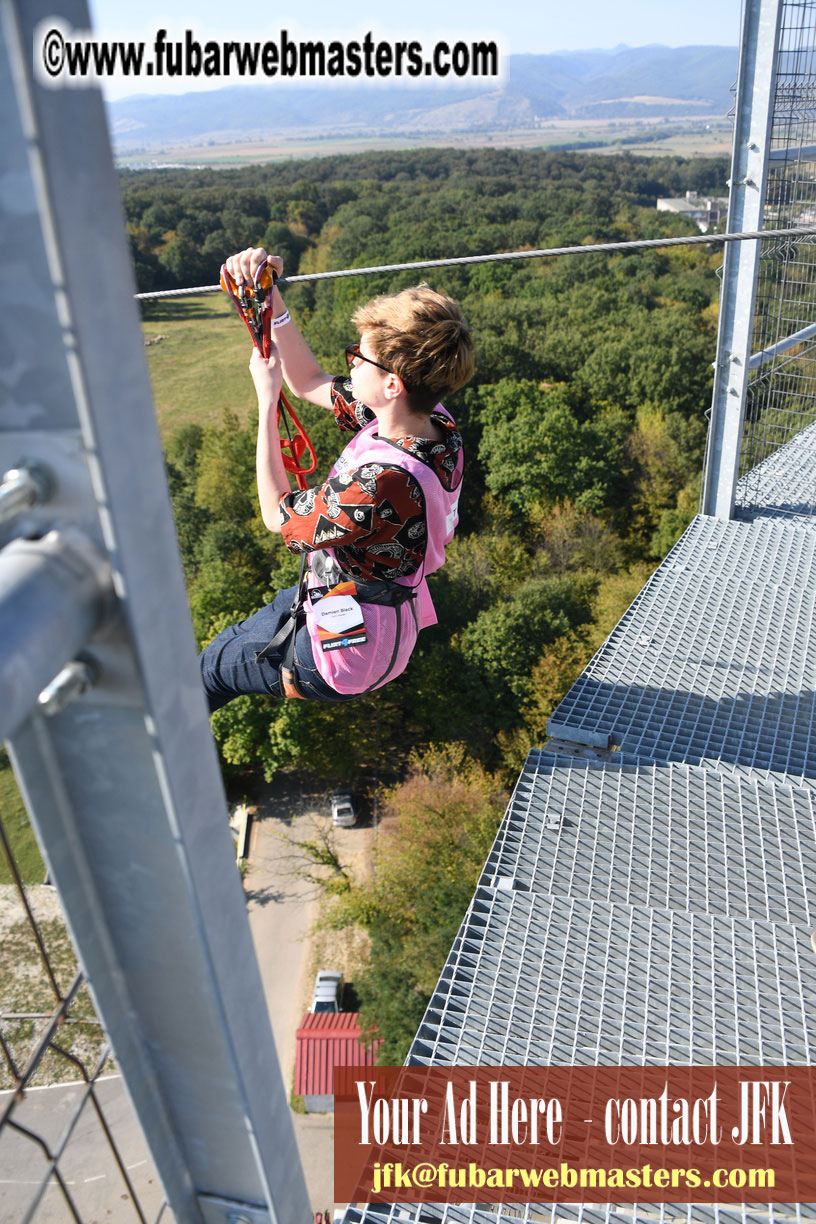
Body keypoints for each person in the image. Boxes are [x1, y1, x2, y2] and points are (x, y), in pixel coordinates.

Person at [199, 247, 473, 710]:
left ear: (393, 384)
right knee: (230, 643)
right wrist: (270, 298)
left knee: (210, 672)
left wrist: (266, 401)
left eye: (359, 357)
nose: (352, 363)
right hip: (355, 603)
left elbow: (276, 514)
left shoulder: (380, 483)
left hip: (343, 655)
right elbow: (307, 381)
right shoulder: (431, 422)